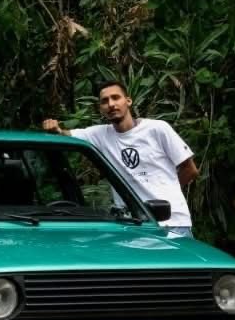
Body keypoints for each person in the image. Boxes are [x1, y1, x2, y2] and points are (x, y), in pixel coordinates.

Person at [42, 80, 199, 237]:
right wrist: (55, 128)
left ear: (128, 101)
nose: (111, 104)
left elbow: (190, 170)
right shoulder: (100, 135)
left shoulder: (157, 129)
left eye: (116, 97)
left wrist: (166, 193)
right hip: (132, 225)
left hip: (171, 222)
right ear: (100, 108)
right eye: (105, 101)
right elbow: (65, 135)